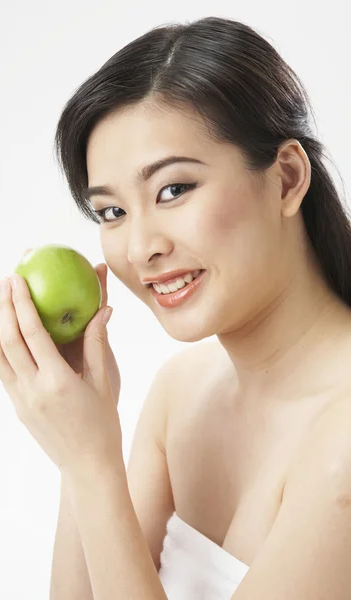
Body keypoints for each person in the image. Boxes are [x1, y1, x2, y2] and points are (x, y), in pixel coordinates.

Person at [50, 16, 351, 599]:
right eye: (112, 212)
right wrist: (79, 441)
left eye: (173, 190)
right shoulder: (181, 391)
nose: (141, 248)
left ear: (287, 178)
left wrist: (93, 465)